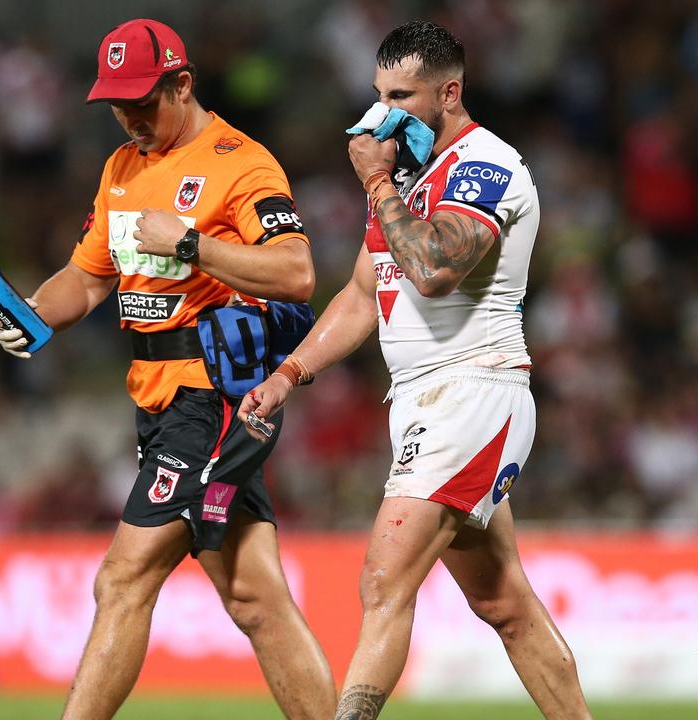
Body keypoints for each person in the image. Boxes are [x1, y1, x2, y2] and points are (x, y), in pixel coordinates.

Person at [240, 20, 592, 720]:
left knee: (383, 579)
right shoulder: (408, 178)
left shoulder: (487, 166)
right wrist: (288, 375)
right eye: (378, 93)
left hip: (475, 388)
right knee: (504, 603)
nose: (383, 113)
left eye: (402, 94)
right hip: (424, 398)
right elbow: (364, 293)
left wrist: (376, 185)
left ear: (449, 92)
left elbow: (431, 270)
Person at [0, 18, 335, 720]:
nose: (131, 118)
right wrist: (30, 313)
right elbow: (85, 282)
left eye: (144, 102)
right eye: (118, 105)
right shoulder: (121, 169)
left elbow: (298, 273)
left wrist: (194, 246)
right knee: (253, 597)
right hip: (159, 405)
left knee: (123, 578)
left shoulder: (243, 162)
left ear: (183, 83)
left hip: (209, 400)